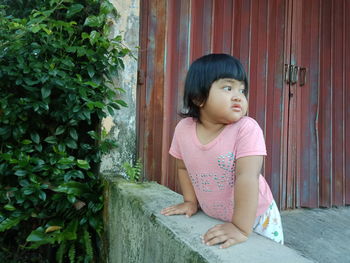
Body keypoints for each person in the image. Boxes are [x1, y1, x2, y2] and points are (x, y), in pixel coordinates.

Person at [160, 53, 284, 248]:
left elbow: (248, 177)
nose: (238, 97)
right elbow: (183, 168)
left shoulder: (246, 129)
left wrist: (241, 227)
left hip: (257, 218)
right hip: (217, 216)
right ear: (198, 97)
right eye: (228, 88)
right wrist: (190, 201)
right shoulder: (183, 130)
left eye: (242, 90)